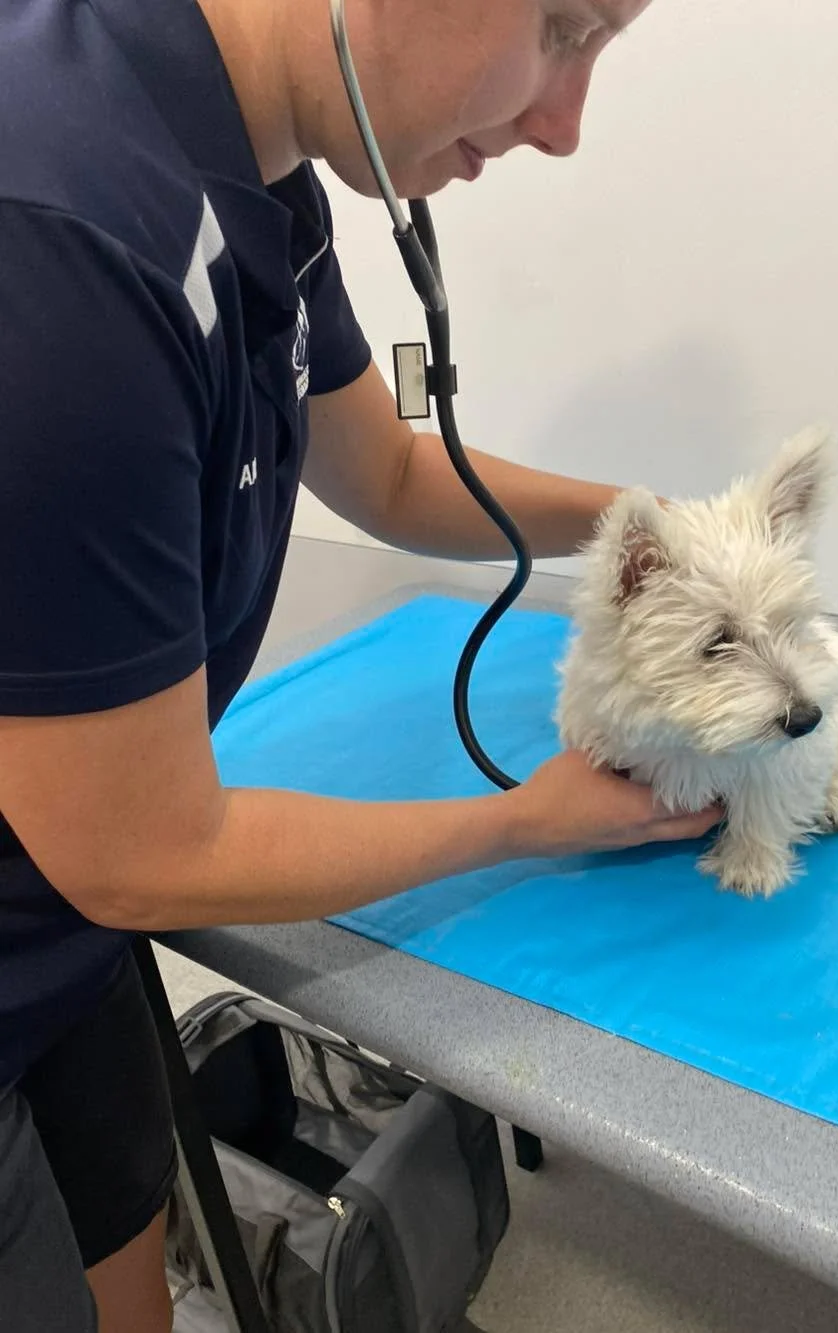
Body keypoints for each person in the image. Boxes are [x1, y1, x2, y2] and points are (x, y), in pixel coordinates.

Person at [0, 0, 722, 1328]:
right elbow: (144, 853)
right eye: (565, 28)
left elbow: (384, 468)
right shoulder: (62, 236)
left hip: (59, 930)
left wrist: (644, 520)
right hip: (63, 882)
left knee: (128, 1285)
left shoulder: (261, 168)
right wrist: (519, 821)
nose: (566, 126)